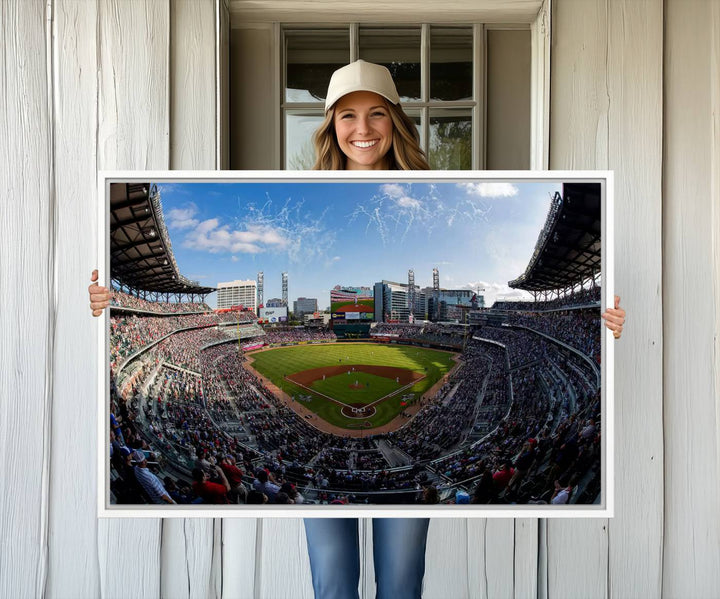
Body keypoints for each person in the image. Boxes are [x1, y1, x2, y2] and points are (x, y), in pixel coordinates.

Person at [88, 59, 627, 599]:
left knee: (399, 582)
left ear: (395, 121)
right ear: (330, 126)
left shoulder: (436, 189)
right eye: (347, 115)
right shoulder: (301, 190)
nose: (362, 129)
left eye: (376, 114)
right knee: (333, 582)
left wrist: (605, 322)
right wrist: (107, 303)